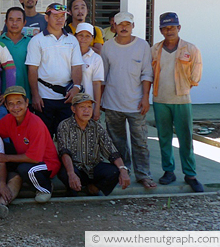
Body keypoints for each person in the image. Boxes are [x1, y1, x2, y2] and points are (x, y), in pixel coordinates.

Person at [101, 11, 156, 189]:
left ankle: (143, 175)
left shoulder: (142, 45)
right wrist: (101, 100)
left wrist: (146, 97)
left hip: (136, 103)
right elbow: (103, 75)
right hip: (112, 103)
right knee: (117, 142)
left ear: (133, 26)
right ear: (114, 26)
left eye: (127, 24)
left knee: (140, 141)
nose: (124, 27)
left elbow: (147, 73)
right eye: (120, 24)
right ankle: (122, 172)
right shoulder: (107, 46)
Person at [151, 12, 203, 192]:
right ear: (160, 30)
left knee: (186, 138)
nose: (169, 31)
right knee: (164, 138)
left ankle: (190, 174)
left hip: (181, 100)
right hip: (160, 99)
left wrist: (187, 86)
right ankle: (168, 171)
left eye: (172, 27)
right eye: (165, 28)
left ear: (178, 28)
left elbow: (196, 71)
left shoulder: (190, 48)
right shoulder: (155, 49)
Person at [0, 86, 61, 203]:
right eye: (11, 104)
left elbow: (33, 158)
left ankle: (45, 188)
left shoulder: (35, 123)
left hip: (46, 163)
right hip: (25, 158)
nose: (16, 107)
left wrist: (6, 158)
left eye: (19, 102)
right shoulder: (9, 119)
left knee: (25, 169)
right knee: (3, 150)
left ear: (27, 103)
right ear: (6, 106)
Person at [26, 3, 83, 137]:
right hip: (44, 98)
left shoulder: (72, 40)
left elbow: (77, 66)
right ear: (46, 18)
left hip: (67, 97)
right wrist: (35, 95)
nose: (60, 19)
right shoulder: (37, 40)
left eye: (62, 16)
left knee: (67, 137)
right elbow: (32, 70)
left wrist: (76, 87)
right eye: (55, 16)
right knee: (44, 137)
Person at [56, 94, 131, 196]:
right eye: (82, 107)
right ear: (73, 109)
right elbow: (64, 152)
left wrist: (123, 169)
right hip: (75, 167)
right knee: (65, 173)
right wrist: (71, 174)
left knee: (115, 171)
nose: (86, 111)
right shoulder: (64, 126)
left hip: (93, 167)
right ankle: (73, 190)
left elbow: (111, 151)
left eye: (89, 107)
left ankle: (93, 189)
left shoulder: (97, 127)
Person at [0, 7, 31, 102]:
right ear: (6, 22)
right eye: (11, 20)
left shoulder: (32, 42)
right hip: (1, 97)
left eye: (18, 20)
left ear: (24, 22)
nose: (14, 23)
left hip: (25, 96)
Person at [75, 23, 104, 121]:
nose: (83, 38)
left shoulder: (96, 58)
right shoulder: (68, 54)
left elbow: (97, 84)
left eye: (87, 36)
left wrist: (96, 108)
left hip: (87, 104)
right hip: (70, 102)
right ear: (75, 36)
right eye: (80, 35)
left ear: (92, 39)